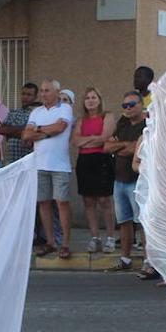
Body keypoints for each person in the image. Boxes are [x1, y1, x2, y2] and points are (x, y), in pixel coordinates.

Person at [24, 80, 75, 259]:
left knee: (62, 203)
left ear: (56, 91)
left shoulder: (65, 108)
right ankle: (51, 242)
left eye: (47, 91)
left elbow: (60, 127)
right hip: (39, 165)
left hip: (60, 165)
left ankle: (66, 243)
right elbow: (26, 135)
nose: (43, 94)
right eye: (42, 91)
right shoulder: (36, 111)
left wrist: (39, 132)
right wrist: (47, 132)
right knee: (44, 203)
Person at [103, 91, 146, 272]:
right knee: (124, 221)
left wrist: (121, 146)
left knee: (142, 223)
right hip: (119, 180)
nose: (127, 108)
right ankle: (125, 259)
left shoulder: (147, 125)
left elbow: (138, 150)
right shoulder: (122, 123)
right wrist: (127, 145)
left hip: (137, 181)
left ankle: (148, 261)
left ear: (141, 104)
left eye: (131, 105)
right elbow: (107, 147)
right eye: (125, 105)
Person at [73, 87, 116, 253]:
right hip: (84, 161)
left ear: (99, 99)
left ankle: (111, 238)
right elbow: (75, 141)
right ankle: (95, 238)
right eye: (87, 98)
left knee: (105, 201)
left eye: (93, 97)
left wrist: (87, 140)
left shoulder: (108, 116)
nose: (90, 100)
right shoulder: (80, 120)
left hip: (102, 160)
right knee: (88, 201)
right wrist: (93, 139)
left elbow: (105, 138)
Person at [0, 82, 39, 166]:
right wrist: (24, 131)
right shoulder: (13, 113)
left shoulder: (38, 114)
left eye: (29, 95)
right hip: (11, 161)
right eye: (23, 94)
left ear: (35, 97)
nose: (25, 97)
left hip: (29, 162)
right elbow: (2, 129)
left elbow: (35, 133)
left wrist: (11, 131)